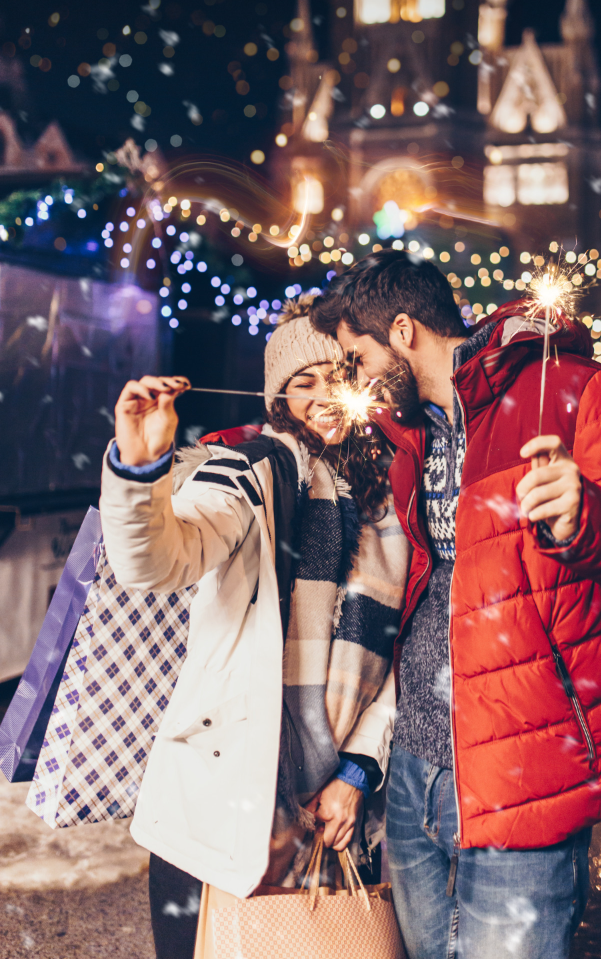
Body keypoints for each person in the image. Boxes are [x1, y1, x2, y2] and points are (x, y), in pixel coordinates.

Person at [310, 249, 601, 959]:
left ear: (403, 331)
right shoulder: (407, 436)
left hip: (525, 778)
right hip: (413, 770)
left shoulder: (577, 391)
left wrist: (588, 516)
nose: (358, 378)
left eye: (358, 355)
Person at [100, 295, 410, 959]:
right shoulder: (253, 469)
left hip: (337, 811)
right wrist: (139, 470)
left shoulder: (390, 498)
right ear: (277, 395)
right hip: (225, 796)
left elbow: (406, 647)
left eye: (340, 375)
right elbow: (157, 559)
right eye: (304, 381)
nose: (325, 394)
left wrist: (358, 770)